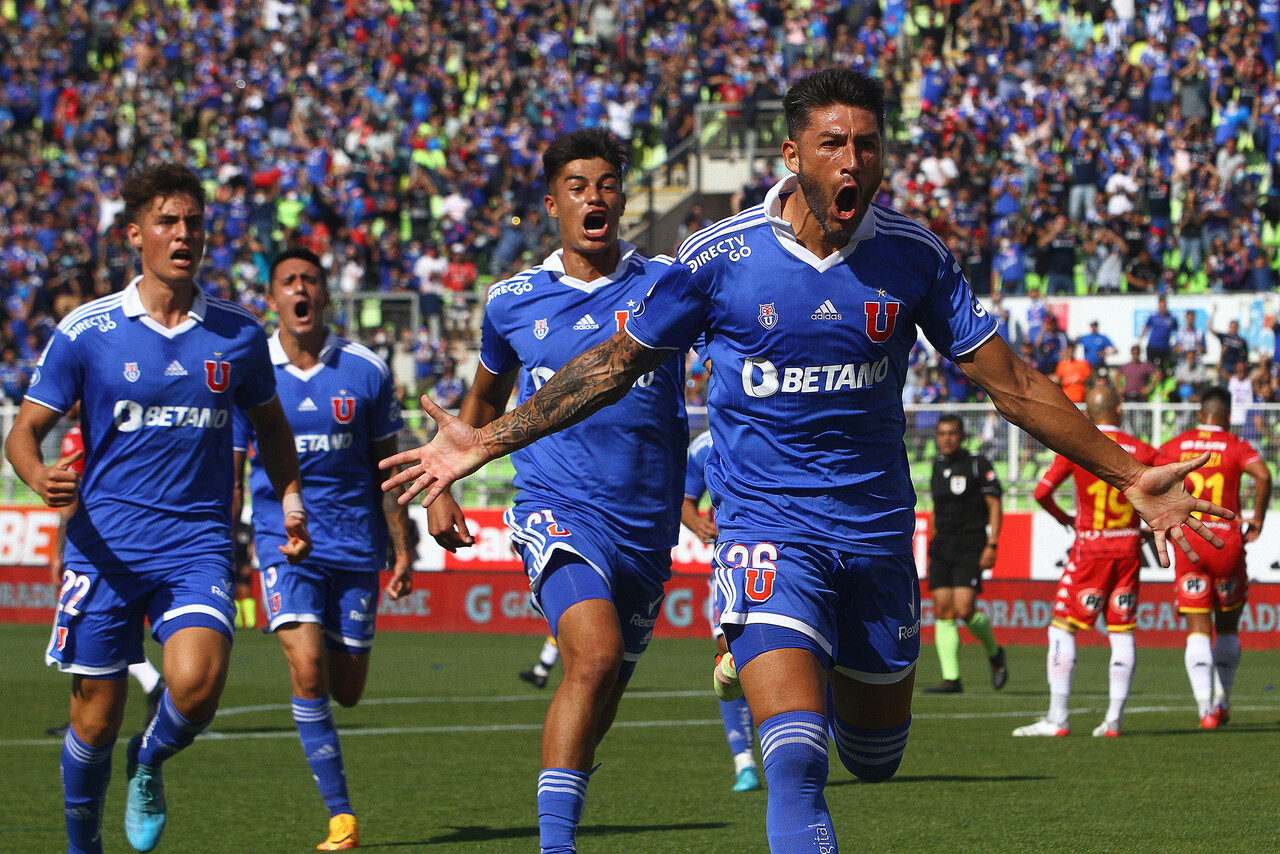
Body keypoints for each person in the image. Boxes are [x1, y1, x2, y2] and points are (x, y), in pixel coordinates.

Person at [382, 69, 1229, 854]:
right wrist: (484, 440)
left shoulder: (916, 258)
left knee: (875, 755)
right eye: (833, 143)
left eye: (868, 144)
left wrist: (1124, 471)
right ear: (793, 155)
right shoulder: (718, 260)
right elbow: (612, 364)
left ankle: (779, 662)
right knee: (793, 761)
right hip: (767, 530)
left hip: (875, 536)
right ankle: (751, 648)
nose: (852, 160)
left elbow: (1009, 382)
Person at [4, 162, 310, 854]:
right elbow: (25, 431)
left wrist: (290, 497)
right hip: (102, 547)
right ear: (135, 234)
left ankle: (150, 758)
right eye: (168, 222)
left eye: (194, 223)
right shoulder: (88, 330)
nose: (183, 235)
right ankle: (85, 846)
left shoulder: (238, 333)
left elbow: (271, 428)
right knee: (93, 718)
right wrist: (37, 477)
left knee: (196, 686)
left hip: (195, 544)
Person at [422, 128, 689, 854]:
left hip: (647, 528)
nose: (593, 196)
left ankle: (561, 796)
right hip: (558, 508)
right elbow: (482, 397)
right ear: (553, 203)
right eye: (578, 185)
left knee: (601, 695)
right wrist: (443, 481)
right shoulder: (511, 301)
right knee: (593, 655)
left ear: (623, 197)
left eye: (606, 183)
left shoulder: (668, 284)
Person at [232, 247, 412, 851]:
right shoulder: (250, 370)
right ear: (274, 298)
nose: (300, 289)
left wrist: (402, 546)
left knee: (348, 688)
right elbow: (233, 468)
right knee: (307, 671)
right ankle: (341, 817)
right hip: (283, 541)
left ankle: (335, 681)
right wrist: (228, 545)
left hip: (357, 543)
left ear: (325, 296)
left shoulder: (366, 369)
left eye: (311, 279)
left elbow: (388, 465)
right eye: (288, 281)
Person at [1016, 386, 1162, 738]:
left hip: (1091, 548)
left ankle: (1058, 717)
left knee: (1062, 627)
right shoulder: (1143, 450)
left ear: (1088, 412)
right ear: (1120, 409)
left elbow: (1041, 492)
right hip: (1128, 548)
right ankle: (1113, 720)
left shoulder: (1078, 444)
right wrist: (1146, 527)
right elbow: (1162, 489)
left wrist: (1065, 518)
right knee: (1122, 630)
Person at [45, 404, 167, 739]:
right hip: (125, 539)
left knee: (88, 631)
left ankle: (93, 717)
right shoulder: (123, 430)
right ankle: (150, 684)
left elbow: (69, 501)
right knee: (105, 631)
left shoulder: (78, 437)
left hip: (96, 547)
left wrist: (60, 551)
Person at [1159, 388, 1271, 729]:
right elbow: (1263, 475)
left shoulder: (1178, 444)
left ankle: (1204, 709)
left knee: (1197, 628)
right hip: (1226, 541)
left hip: (1190, 539)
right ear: (1227, 416)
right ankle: (1223, 701)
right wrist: (1258, 518)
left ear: (1201, 414)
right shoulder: (1236, 446)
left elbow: (1152, 471)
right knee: (1226, 626)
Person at [687, 429, 763, 791]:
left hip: (783, 554)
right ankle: (744, 762)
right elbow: (685, 498)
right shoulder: (702, 446)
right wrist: (694, 522)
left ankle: (804, 741)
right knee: (730, 654)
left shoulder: (771, 420)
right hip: (730, 564)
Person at [923, 415, 1008, 694]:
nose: (946, 438)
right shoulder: (936, 466)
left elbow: (994, 505)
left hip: (971, 543)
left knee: (964, 608)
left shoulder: (976, 464)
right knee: (942, 610)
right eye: (942, 433)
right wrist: (932, 545)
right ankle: (952, 679)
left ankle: (995, 654)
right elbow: (936, 509)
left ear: (962, 436)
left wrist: (992, 544)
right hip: (942, 545)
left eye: (952, 433)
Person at [1141, 295, 1178, 372]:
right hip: (1152, 346)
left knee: (1163, 369)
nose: (1162, 307)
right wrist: (1140, 339)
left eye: (1164, 306)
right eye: (1161, 306)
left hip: (1164, 348)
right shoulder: (1153, 316)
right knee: (1150, 368)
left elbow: (1176, 331)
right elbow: (1146, 327)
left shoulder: (1171, 318)